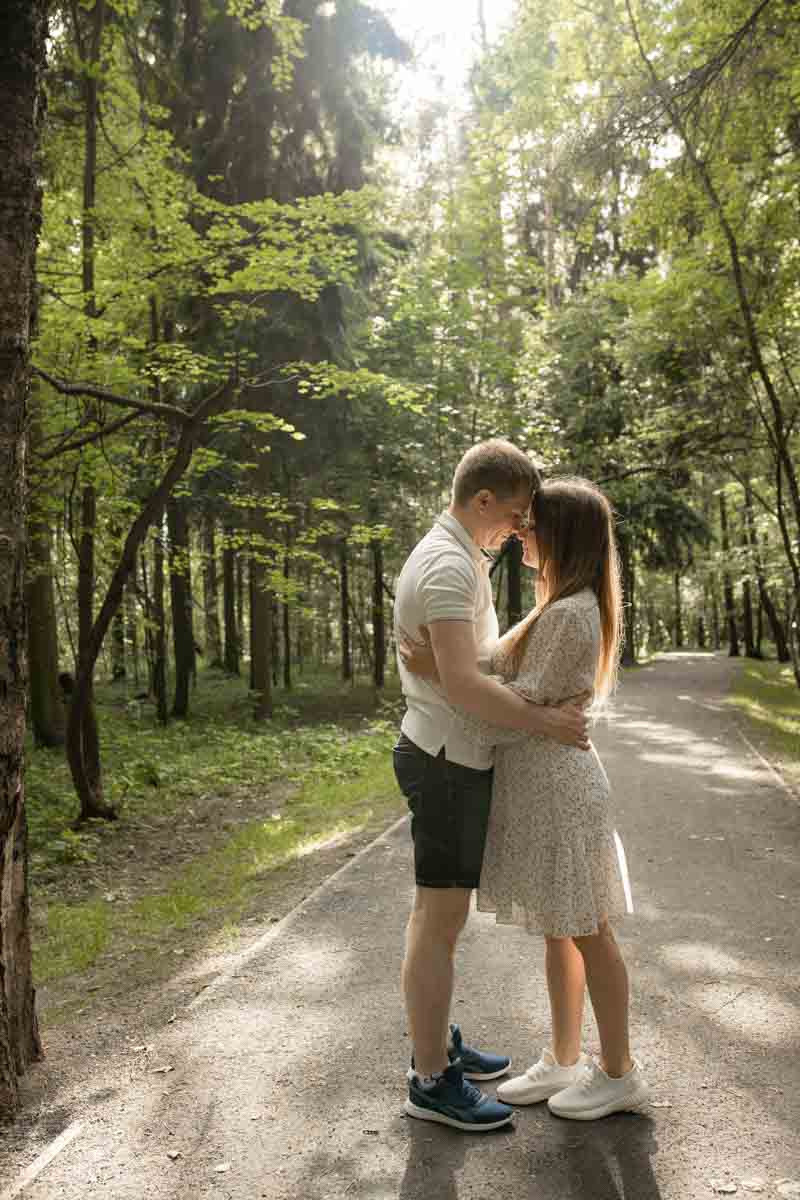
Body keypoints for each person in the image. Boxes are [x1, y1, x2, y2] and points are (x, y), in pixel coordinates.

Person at [403, 476, 648, 1122]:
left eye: (533, 525)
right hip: (546, 787)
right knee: (560, 930)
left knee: (589, 930)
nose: (521, 534)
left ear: (562, 535)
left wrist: (442, 675)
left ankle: (618, 1071)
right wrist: (461, 674)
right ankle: (564, 1057)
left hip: (562, 792)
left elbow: (508, 713)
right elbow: (512, 687)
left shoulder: (569, 613)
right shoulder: (558, 604)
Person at [392, 442, 592, 1133]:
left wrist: (458, 667)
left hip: (448, 752)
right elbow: (467, 687)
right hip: (446, 759)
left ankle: (434, 1036)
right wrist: (546, 721)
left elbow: (466, 663)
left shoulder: (457, 556)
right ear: (482, 500)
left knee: (436, 924)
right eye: (511, 515)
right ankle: (428, 1078)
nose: (516, 530)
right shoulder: (450, 564)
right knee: (437, 925)